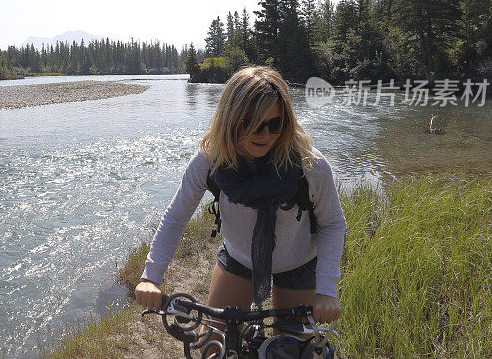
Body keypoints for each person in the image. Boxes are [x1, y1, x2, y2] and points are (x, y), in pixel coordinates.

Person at [135, 66, 346, 326]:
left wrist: (326, 290)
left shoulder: (310, 165)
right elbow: (176, 217)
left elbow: (332, 224)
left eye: (275, 124)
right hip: (239, 258)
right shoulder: (209, 161)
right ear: (230, 118)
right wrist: (150, 277)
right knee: (215, 343)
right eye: (252, 123)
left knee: (289, 351)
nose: (265, 135)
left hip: (299, 263)